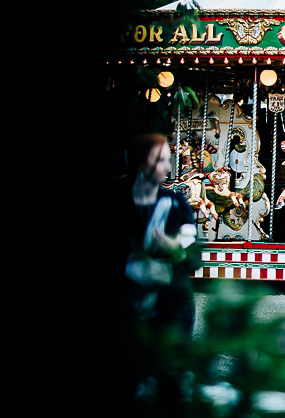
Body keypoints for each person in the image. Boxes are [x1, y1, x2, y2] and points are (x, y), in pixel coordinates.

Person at [120, 134, 200, 414]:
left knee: (170, 374)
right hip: (129, 300)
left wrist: (173, 246)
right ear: (140, 163)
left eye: (167, 159)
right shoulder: (119, 200)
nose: (167, 167)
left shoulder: (176, 203)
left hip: (170, 300)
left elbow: (193, 253)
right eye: (160, 160)